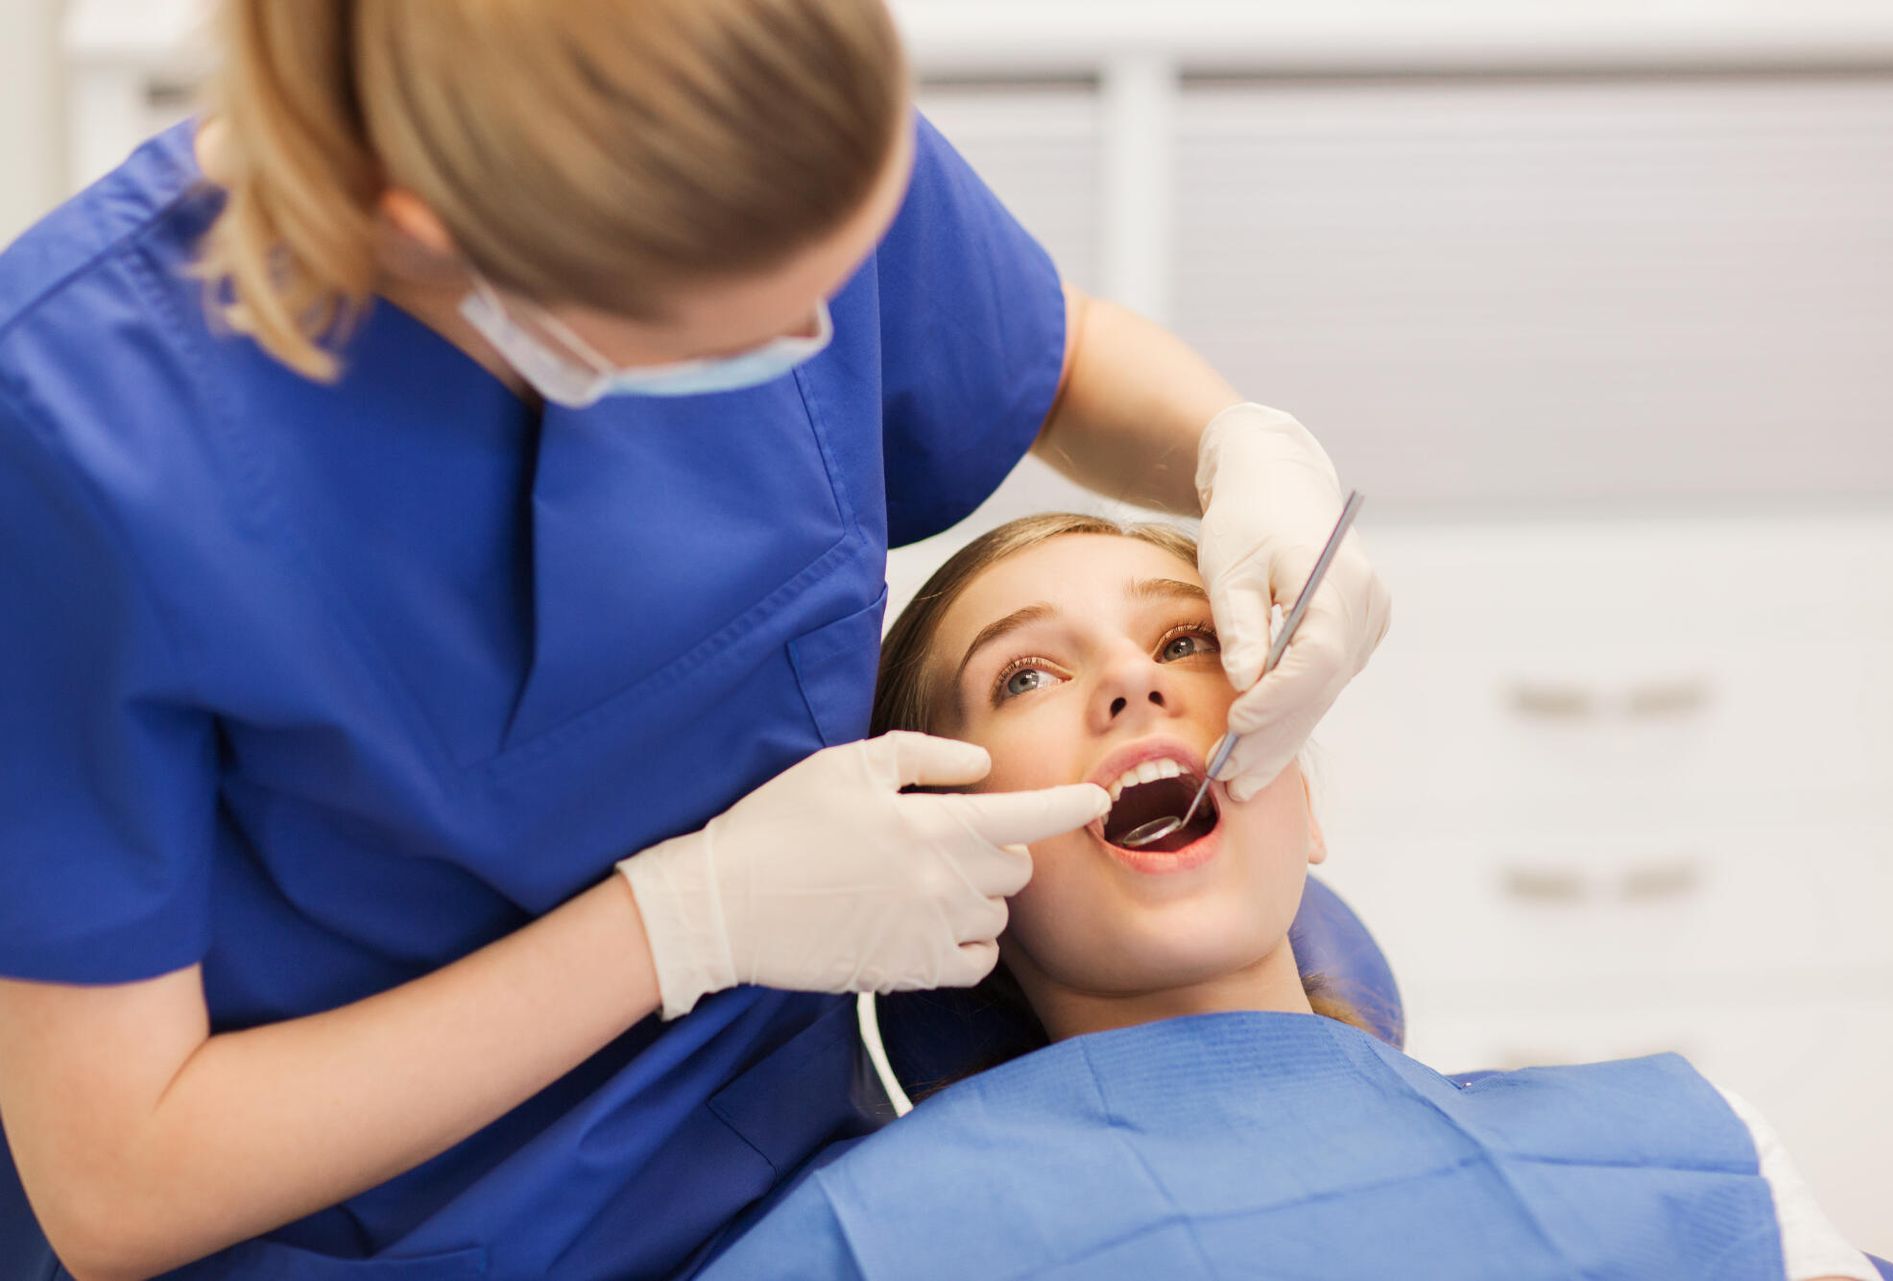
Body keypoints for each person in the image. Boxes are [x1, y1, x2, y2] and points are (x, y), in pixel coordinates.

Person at [0, 3, 1393, 1277]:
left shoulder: (742, 88)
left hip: (794, 1159)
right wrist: (685, 924)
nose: (822, 331)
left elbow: (1049, 353)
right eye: (1023, 670)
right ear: (427, 229)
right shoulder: (76, 445)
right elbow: (118, 1176)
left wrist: (1235, 443)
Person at [699, 513, 1878, 1281]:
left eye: (1189, 639)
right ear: (939, 860)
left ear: (1305, 808)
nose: (1131, 682)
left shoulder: (1697, 1153)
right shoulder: (854, 1247)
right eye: (1024, 675)